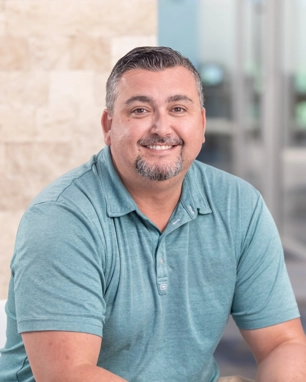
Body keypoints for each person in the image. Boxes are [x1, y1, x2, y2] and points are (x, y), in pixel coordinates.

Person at [0, 46, 305, 382]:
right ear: (109, 125)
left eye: (178, 108)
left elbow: (283, 342)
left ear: (201, 124)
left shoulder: (239, 204)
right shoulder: (61, 219)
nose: (162, 127)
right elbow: (70, 375)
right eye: (141, 110)